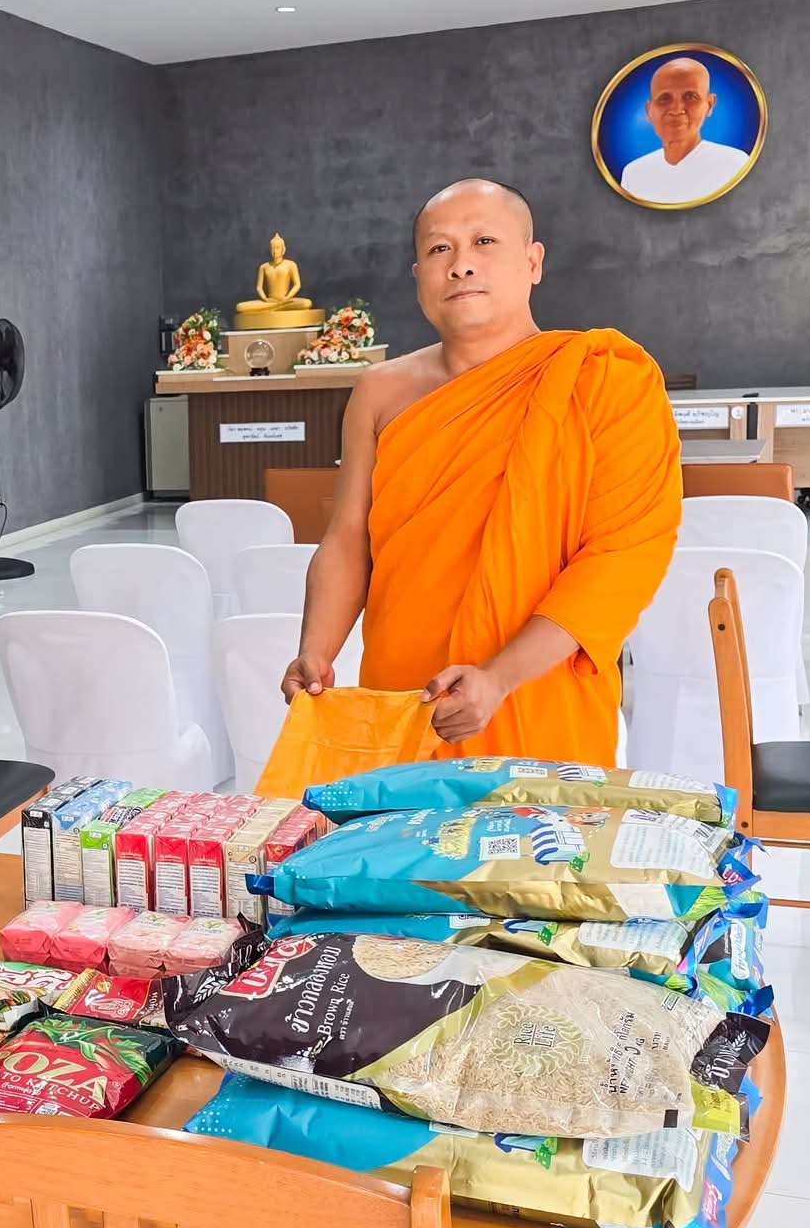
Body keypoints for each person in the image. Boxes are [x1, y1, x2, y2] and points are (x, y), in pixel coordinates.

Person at [282, 180, 681, 764]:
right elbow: (347, 539)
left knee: (532, 825)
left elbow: (622, 558)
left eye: (484, 241)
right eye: (440, 249)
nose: (461, 264)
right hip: (404, 700)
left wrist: (498, 677)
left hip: (535, 694)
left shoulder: (604, 381)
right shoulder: (379, 392)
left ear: (533, 261)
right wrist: (316, 650)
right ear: (418, 274)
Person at [617, 55, 752, 205]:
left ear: (709, 105)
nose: (676, 109)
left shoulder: (734, 165)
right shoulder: (634, 174)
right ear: (649, 111)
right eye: (665, 98)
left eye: (690, 97)